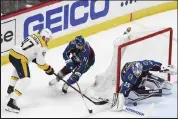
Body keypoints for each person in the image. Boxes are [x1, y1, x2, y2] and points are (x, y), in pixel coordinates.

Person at [5, 28, 55, 113]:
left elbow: (30, 50)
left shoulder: (35, 35)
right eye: (47, 38)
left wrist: (34, 58)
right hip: (20, 58)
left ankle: (11, 87)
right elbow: (41, 63)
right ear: (43, 37)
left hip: (12, 53)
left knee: (20, 68)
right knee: (26, 80)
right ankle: (11, 102)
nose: (48, 40)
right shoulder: (43, 46)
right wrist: (49, 69)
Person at [112, 60, 177, 111]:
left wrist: (166, 69)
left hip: (144, 75)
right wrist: (121, 100)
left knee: (165, 85)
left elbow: (157, 65)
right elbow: (123, 90)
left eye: (139, 74)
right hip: (133, 83)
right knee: (134, 95)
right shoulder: (129, 78)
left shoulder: (144, 64)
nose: (139, 76)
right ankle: (134, 94)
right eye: (137, 75)